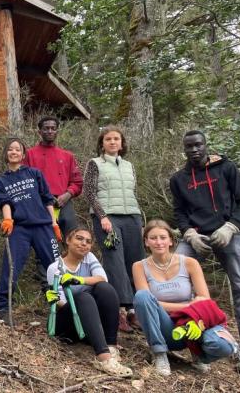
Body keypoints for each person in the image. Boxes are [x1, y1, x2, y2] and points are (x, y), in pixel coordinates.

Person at [169, 130, 240, 373]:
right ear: (184, 149)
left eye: (198, 145)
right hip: (197, 235)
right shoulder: (179, 179)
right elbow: (179, 212)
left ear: (206, 145)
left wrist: (231, 226)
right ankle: (180, 336)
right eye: (189, 146)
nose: (194, 150)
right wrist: (189, 234)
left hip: (228, 233)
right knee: (175, 275)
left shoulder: (226, 168)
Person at [133, 220, 239, 376]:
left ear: (171, 240)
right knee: (141, 296)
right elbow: (146, 301)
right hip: (166, 328)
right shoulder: (139, 266)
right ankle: (160, 353)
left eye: (163, 237)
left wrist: (188, 309)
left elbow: (205, 299)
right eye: (153, 238)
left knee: (224, 346)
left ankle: (199, 355)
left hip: (192, 324)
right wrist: (188, 306)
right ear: (146, 242)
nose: (159, 242)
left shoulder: (189, 263)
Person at [45, 227, 132, 377]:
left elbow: (102, 278)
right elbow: (61, 303)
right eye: (79, 238)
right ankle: (104, 359)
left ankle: (111, 346)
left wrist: (79, 280)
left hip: (89, 326)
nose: (84, 243)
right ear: (68, 240)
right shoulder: (55, 268)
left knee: (105, 289)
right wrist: (56, 299)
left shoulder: (89, 258)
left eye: (88, 241)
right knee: (84, 298)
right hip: (68, 325)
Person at [83, 125, 145, 332]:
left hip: (132, 217)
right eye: (108, 139)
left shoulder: (129, 165)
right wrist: (102, 216)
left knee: (135, 261)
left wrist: (139, 220)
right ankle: (119, 310)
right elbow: (90, 193)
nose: (112, 142)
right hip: (108, 219)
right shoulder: (95, 164)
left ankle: (135, 309)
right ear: (102, 143)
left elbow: (132, 191)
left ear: (121, 143)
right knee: (115, 261)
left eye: (116, 139)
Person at [0, 138, 61, 322]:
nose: (14, 152)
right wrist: (8, 220)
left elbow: (47, 199)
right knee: (11, 266)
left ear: (23, 155)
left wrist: (54, 223)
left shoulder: (34, 173)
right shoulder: (1, 180)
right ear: (6, 154)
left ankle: (56, 305)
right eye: (10, 149)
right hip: (20, 229)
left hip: (43, 226)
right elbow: (4, 202)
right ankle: (4, 307)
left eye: (18, 149)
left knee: (54, 268)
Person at [24, 116, 83, 234]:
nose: (50, 131)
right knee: (46, 242)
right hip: (39, 204)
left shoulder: (67, 156)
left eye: (53, 128)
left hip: (63, 202)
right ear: (39, 132)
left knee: (72, 239)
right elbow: (24, 182)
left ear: (57, 131)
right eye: (46, 128)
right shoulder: (29, 154)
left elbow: (77, 182)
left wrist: (68, 194)